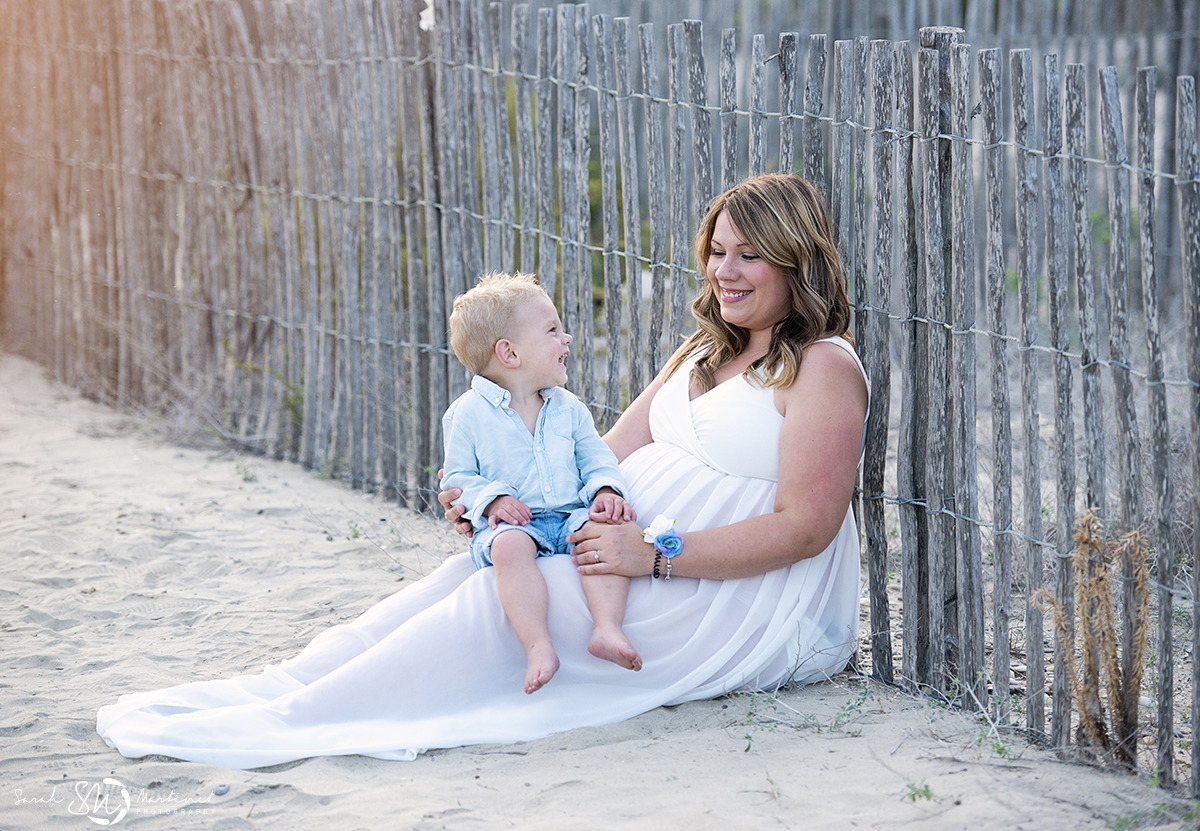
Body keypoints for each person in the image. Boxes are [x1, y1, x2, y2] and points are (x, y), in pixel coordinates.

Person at [96, 173, 868, 769]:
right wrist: (496, 499)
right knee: (464, 582)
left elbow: (807, 527)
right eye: (717, 249)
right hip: (613, 549)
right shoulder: (703, 348)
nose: (724, 270)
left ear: (796, 260)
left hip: (729, 599)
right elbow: (603, 449)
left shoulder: (824, 369)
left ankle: (302, 718)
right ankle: (286, 689)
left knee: (495, 616)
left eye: (749, 255)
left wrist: (653, 557)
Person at [442, 272, 641, 694]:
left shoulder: (568, 408)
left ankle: (607, 627)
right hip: (515, 525)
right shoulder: (467, 415)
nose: (566, 338)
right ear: (509, 353)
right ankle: (538, 645)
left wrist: (606, 490)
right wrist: (492, 500)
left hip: (570, 514)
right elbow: (459, 478)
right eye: (552, 330)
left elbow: (596, 457)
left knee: (606, 535)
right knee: (510, 546)